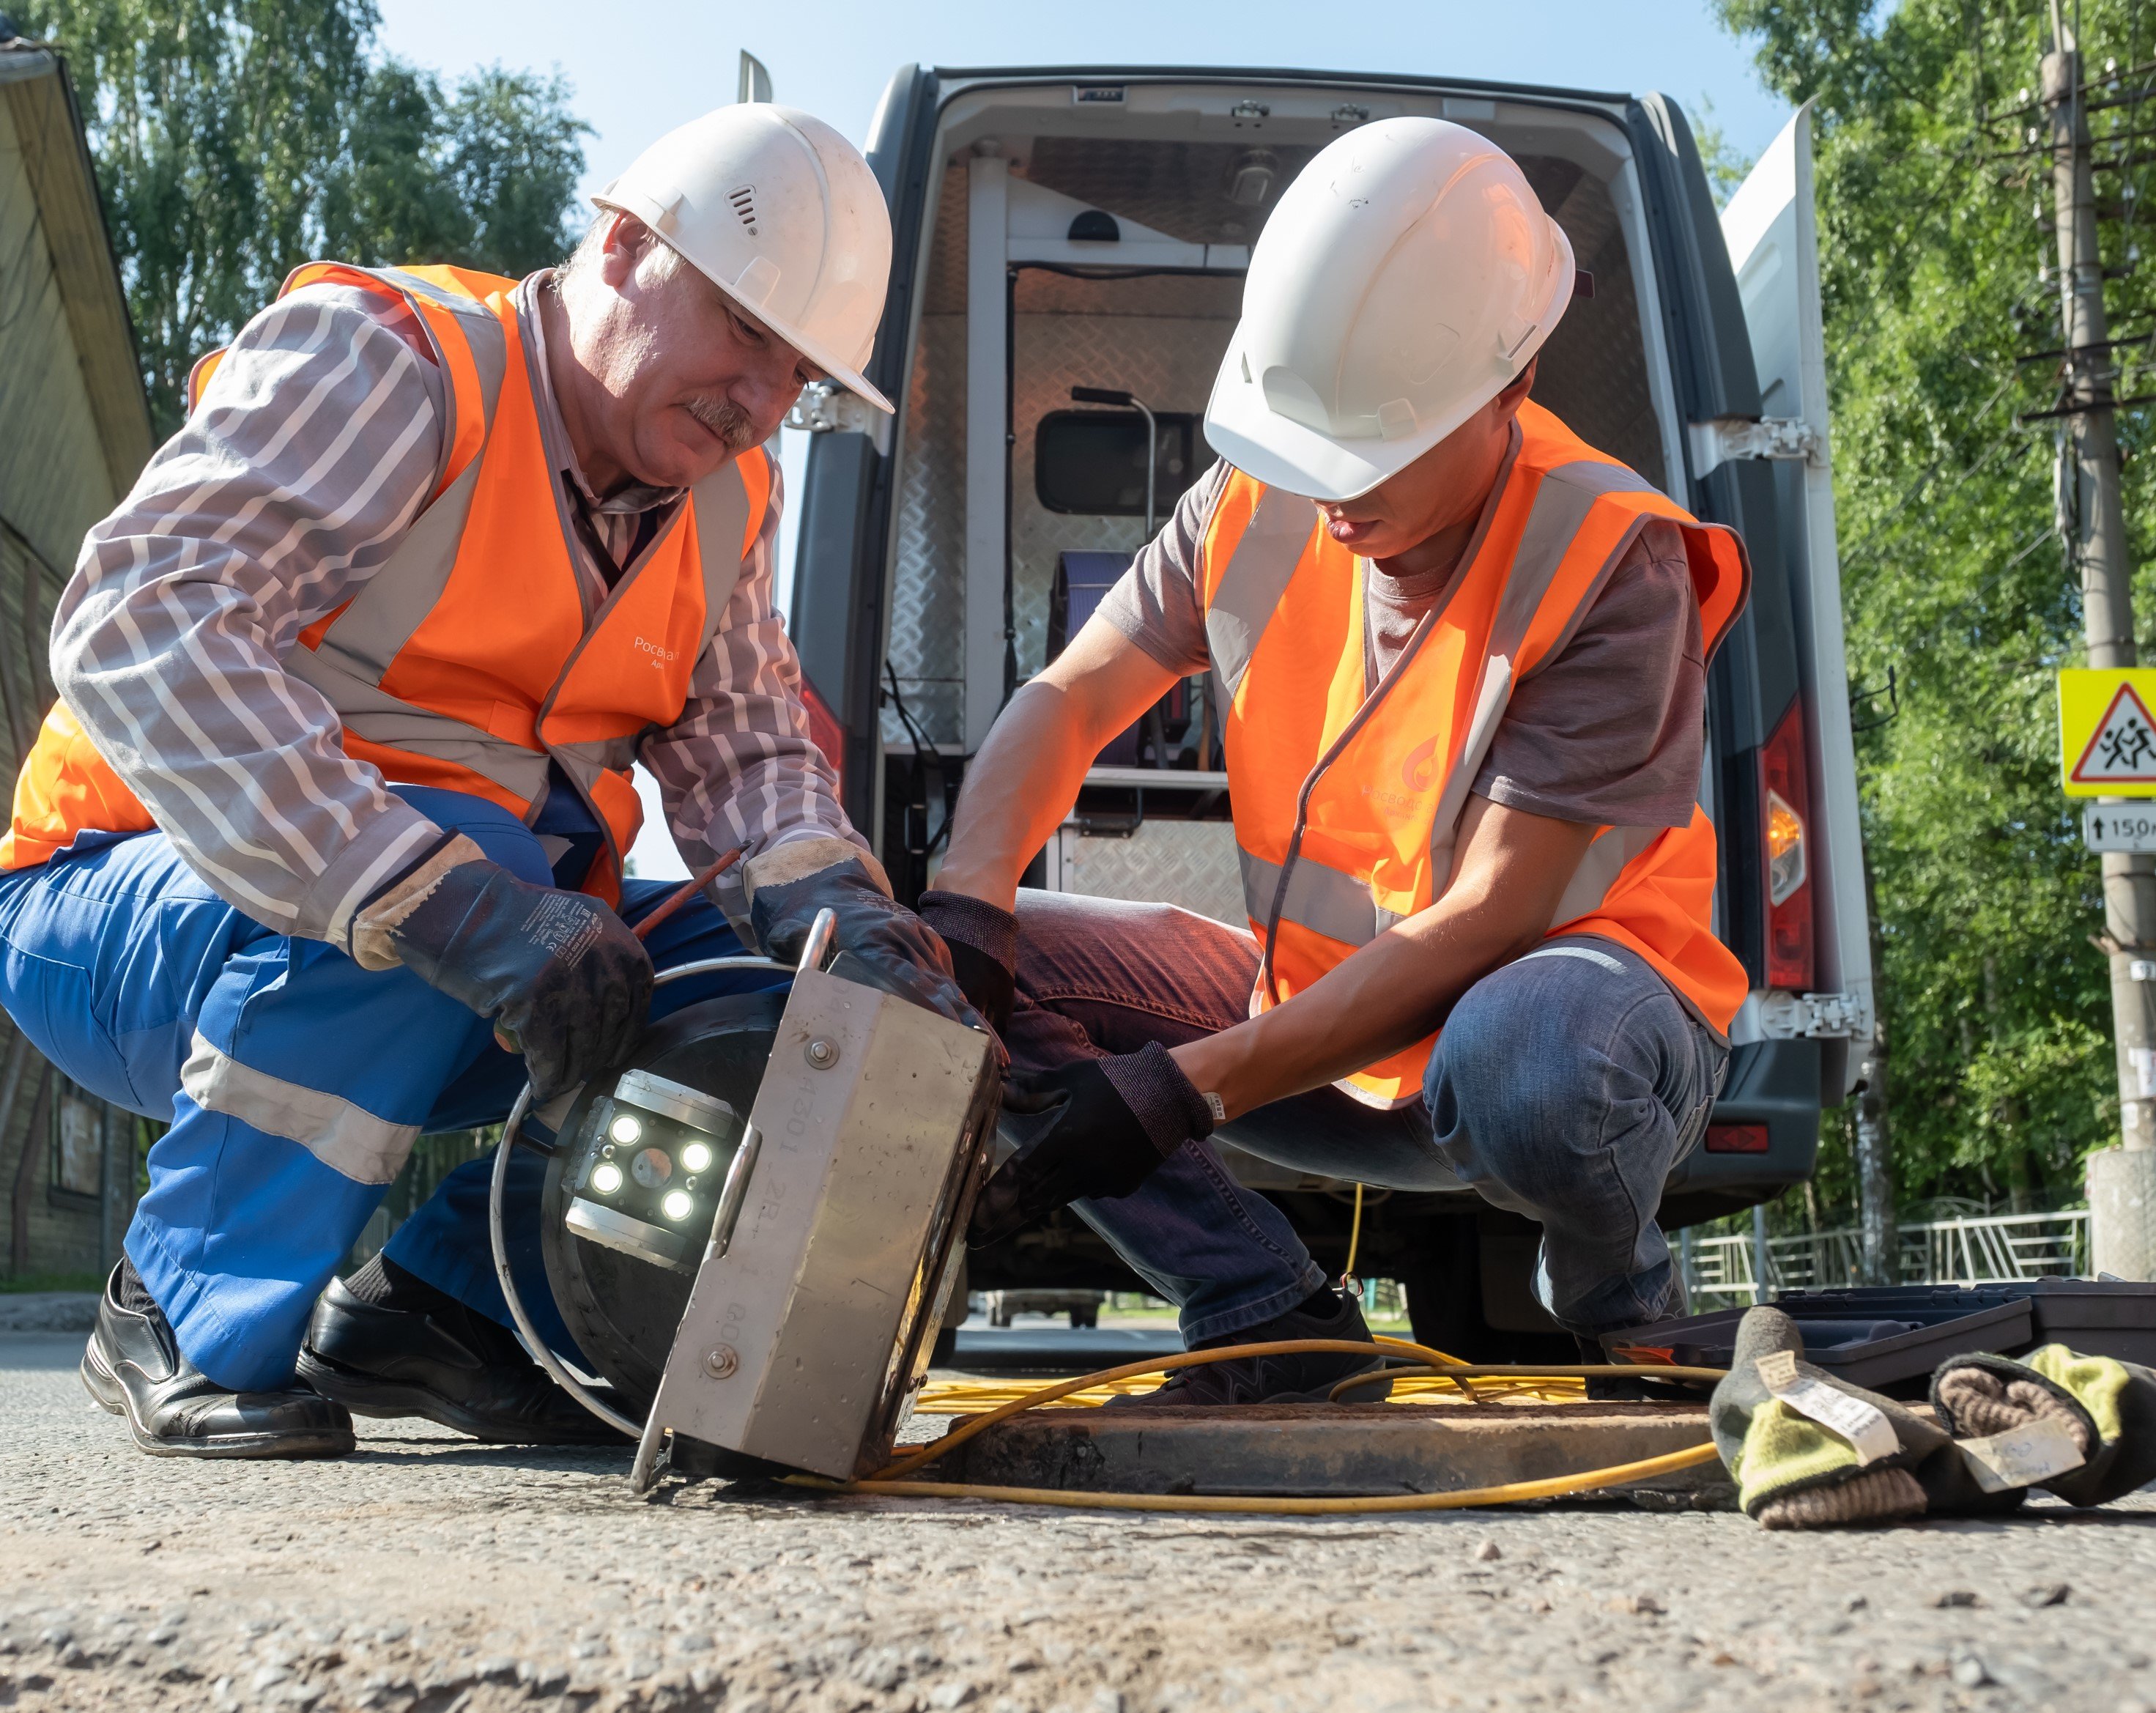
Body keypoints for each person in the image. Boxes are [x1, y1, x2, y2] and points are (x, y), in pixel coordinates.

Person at [0, 103, 976, 1457]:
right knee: (479, 857)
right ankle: (179, 1296)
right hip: (121, 906)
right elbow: (136, 620)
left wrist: (853, 921)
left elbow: (748, 754)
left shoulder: (728, 500)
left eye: (797, 373)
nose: (761, 400)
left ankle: (439, 1307)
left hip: (472, 941)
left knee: (784, 992)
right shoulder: (400, 367)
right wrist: (440, 896)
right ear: (628, 246)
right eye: (748, 330)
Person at [916, 117, 1750, 1405]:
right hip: (1307, 1033)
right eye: (1314, 457)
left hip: (1561, 1027)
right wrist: (968, 903)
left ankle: (1622, 1305)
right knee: (967, 954)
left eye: (1373, 460)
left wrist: (1178, 1089)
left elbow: (1492, 919)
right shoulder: (1256, 503)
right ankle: (1269, 1315)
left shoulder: (1609, 555)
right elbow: (1073, 696)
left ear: (1509, 388)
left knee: (1531, 1061)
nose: (1335, 502)